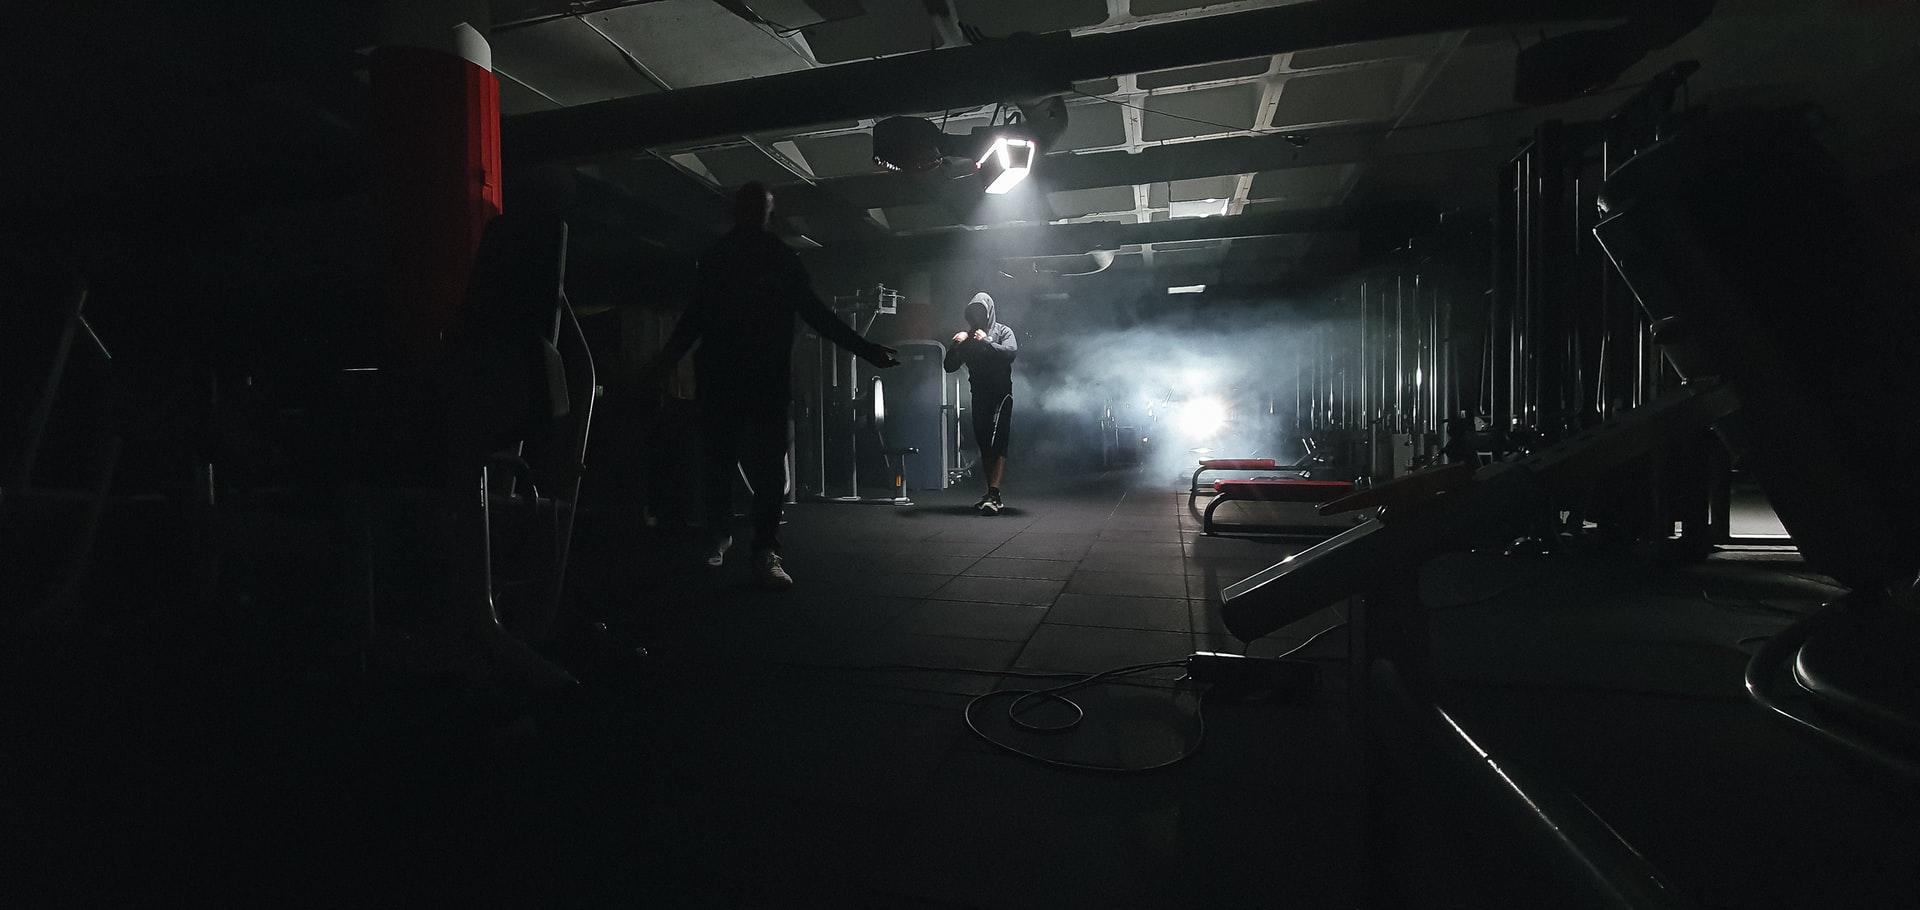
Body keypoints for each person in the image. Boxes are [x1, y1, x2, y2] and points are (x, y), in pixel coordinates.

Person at [651, 182, 899, 589]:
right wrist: (865, 348)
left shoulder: (763, 259)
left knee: (751, 469)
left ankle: (751, 545)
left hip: (749, 378)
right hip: (735, 378)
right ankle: (743, 543)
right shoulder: (744, 258)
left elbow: (812, 313)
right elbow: (699, 315)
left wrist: (865, 348)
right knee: (731, 466)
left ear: (760, 211)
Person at [943, 291, 1018, 514]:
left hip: (1001, 394)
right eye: (973, 312)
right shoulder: (967, 338)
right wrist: (955, 345)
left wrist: (988, 342)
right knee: (984, 443)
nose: (977, 317)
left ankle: (994, 493)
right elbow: (949, 366)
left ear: (989, 311)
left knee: (999, 441)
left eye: (981, 311)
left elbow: (1011, 352)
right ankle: (991, 493)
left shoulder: (1003, 331)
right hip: (980, 395)